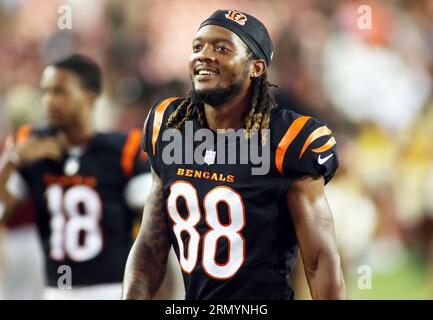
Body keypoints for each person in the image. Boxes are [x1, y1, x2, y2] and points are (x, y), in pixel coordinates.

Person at [122, 9, 346, 300]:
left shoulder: (288, 140)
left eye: (222, 48)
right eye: (197, 46)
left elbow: (319, 260)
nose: (204, 55)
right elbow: (151, 245)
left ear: (256, 67)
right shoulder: (169, 125)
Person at [0, 54, 153, 299]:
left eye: (60, 92)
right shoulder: (33, 147)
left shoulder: (124, 150)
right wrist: (10, 162)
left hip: (113, 290)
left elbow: (153, 232)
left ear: (89, 97)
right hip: (55, 291)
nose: (49, 101)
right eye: (45, 92)